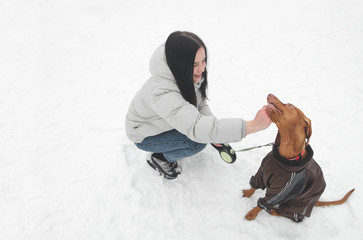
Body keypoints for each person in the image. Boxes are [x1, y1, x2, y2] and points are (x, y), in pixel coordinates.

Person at [125, 31, 271, 179]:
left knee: (205, 135)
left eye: (204, 60)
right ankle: (160, 157)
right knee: (197, 142)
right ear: (179, 63)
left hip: (163, 122)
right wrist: (252, 126)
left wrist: (214, 133)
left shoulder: (183, 73)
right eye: (195, 64)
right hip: (144, 135)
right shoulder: (163, 93)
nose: (202, 68)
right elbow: (196, 128)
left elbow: (199, 104)